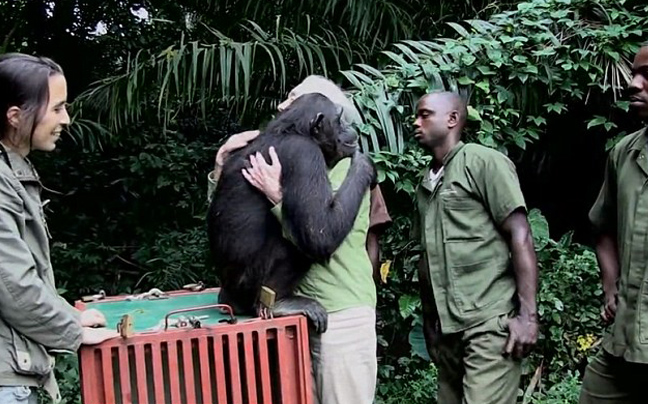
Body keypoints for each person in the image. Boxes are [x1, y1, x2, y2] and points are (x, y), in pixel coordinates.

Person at [206, 75, 391, 404]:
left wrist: (279, 197)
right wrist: (362, 171)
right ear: (318, 125)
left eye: (291, 99)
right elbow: (318, 237)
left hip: (338, 310)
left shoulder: (313, 155)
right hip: (283, 300)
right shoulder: (302, 151)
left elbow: (318, 232)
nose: (281, 106)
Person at [0, 53, 118, 404]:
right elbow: (10, 282)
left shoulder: (13, 172)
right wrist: (71, 332)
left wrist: (71, 314)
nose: (66, 119)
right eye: (57, 108)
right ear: (15, 116)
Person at [413, 91, 539, 404]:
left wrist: (528, 317)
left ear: (452, 119)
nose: (416, 122)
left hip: (488, 323)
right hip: (447, 332)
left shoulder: (483, 162)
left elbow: (520, 235)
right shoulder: (426, 183)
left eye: (425, 114)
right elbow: (428, 257)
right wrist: (431, 324)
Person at [579, 42, 648, 404]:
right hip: (624, 338)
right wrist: (610, 287)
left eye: (647, 75)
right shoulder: (624, 153)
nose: (633, 84)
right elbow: (602, 227)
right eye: (634, 74)